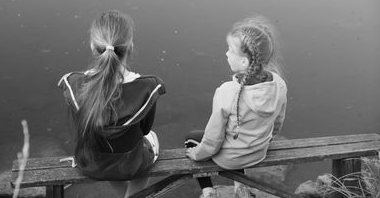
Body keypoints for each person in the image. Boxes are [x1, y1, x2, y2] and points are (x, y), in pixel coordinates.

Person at [58, 10, 165, 196]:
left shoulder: (75, 85)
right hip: (132, 164)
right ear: (130, 46)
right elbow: (146, 130)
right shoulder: (146, 88)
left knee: (104, 149)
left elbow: (82, 127)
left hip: (91, 163)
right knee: (151, 138)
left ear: (93, 47)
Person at [185, 16, 287, 198]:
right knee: (237, 137)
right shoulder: (279, 84)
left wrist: (197, 154)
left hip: (231, 158)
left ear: (244, 63)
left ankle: (207, 191)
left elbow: (213, 139)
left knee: (191, 138)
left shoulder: (227, 91)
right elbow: (278, 122)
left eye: (231, 50)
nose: (226, 53)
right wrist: (266, 139)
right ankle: (240, 185)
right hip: (258, 152)